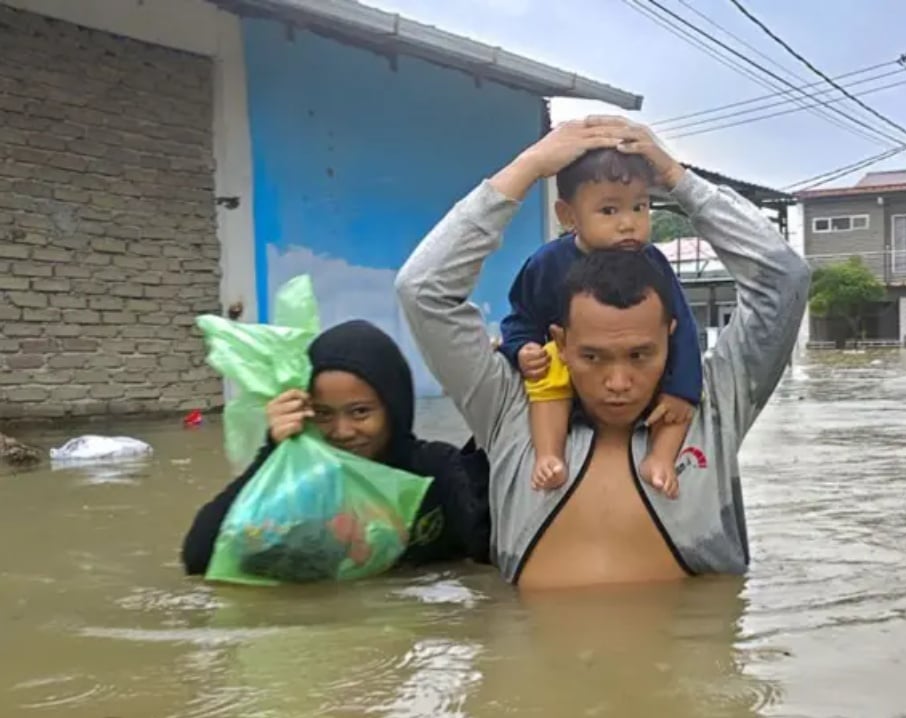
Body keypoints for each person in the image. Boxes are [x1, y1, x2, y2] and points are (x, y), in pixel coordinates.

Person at [394, 116, 811, 590]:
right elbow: (422, 289)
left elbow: (785, 280)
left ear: (672, 336)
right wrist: (528, 168)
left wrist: (677, 180)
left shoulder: (708, 409)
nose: (618, 383)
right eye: (593, 357)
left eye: (641, 355)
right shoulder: (512, 411)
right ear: (562, 343)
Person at [180, 320, 491, 577]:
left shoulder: (435, 472)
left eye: (360, 412)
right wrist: (271, 452)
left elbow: (492, 543)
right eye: (324, 414)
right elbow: (199, 557)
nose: (342, 432)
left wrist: (490, 422)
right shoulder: (303, 483)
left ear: (394, 408)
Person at [498, 148, 700, 498]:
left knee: (677, 404)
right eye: (609, 210)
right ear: (567, 215)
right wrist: (521, 349)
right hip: (571, 371)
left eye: (640, 207)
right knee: (548, 372)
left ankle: (661, 459)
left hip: (644, 385)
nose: (628, 223)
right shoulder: (547, 263)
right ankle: (550, 456)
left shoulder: (653, 263)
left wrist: (683, 390)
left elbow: (682, 329)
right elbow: (522, 317)